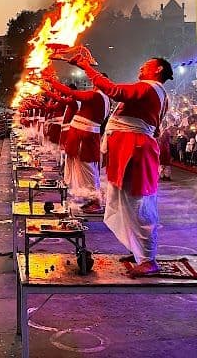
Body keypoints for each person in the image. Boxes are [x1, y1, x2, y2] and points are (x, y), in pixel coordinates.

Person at [73, 55, 172, 277]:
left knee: (138, 205)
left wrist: (87, 67)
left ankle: (148, 260)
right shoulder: (156, 93)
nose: (141, 66)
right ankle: (138, 251)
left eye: (146, 65)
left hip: (135, 151)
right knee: (125, 203)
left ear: (158, 70)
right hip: (129, 149)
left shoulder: (149, 88)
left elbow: (115, 91)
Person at [45, 77, 110, 213]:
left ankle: (95, 201)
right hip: (82, 137)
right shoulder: (101, 97)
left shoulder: (96, 96)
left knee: (88, 171)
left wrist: (52, 82)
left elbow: (71, 94)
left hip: (85, 139)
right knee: (82, 170)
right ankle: (87, 199)